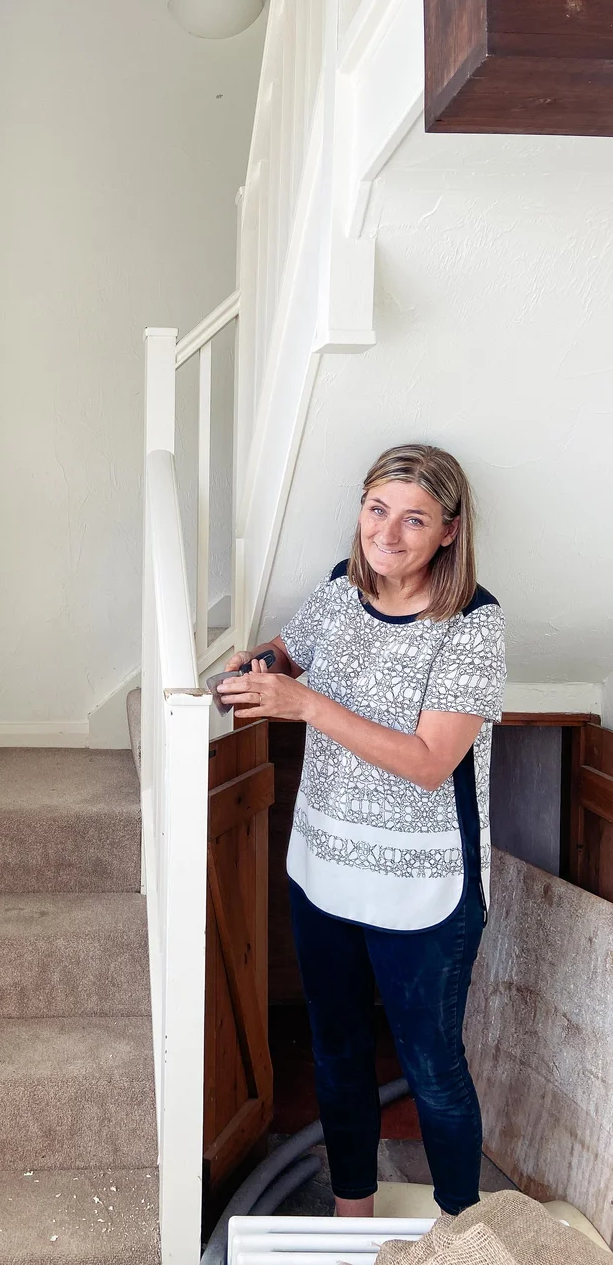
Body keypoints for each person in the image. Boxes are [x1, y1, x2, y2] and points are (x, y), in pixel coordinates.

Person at [218, 444, 506, 1220]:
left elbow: (426, 762)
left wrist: (304, 704)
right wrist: (264, 663)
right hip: (324, 871)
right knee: (338, 1056)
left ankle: (459, 1226)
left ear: (448, 531)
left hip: (427, 890)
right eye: (378, 508)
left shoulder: (473, 624)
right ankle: (354, 1210)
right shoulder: (342, 589)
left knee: (433, 1066)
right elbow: (294, 650)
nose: (389, 531)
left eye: (415, 518)